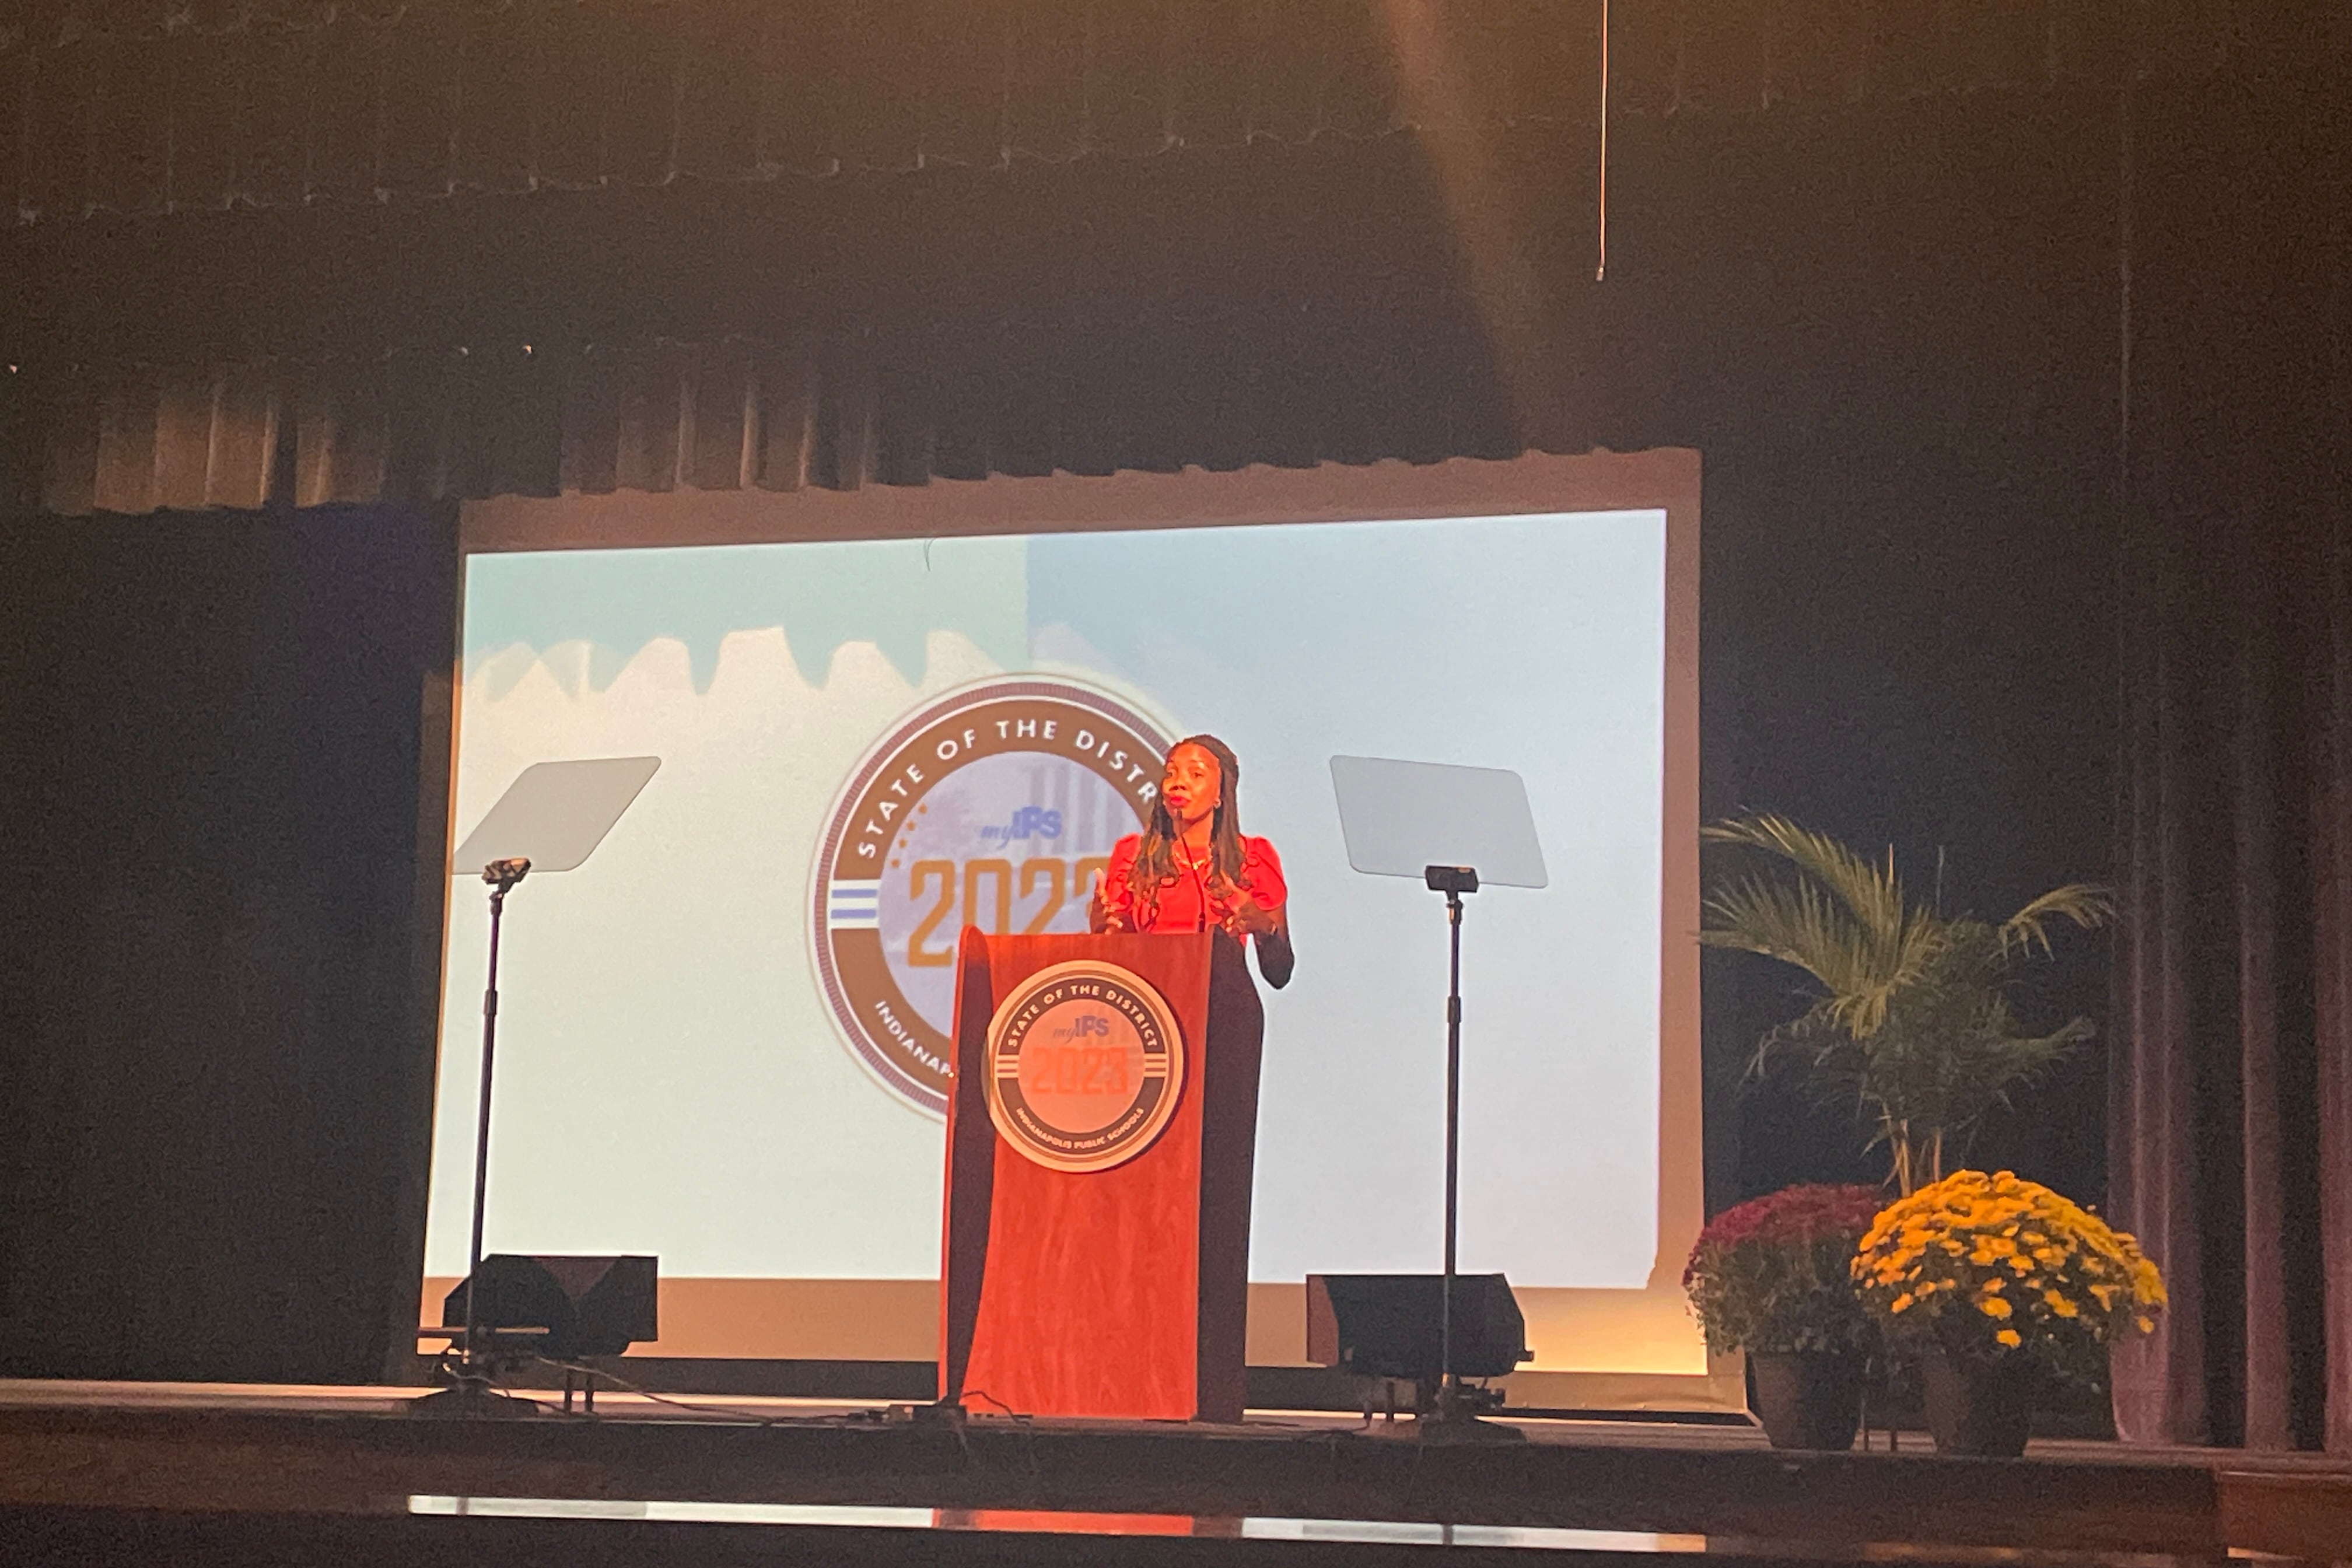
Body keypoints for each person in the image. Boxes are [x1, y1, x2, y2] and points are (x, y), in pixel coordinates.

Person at [1091, 734, 1294, 989]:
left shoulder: (1252, 857)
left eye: (1196, 775)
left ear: (1221, 794)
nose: (1179, 783)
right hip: (1151, 1005)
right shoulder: (1134, 856)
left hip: (1225, 1009)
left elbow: (1279, 974)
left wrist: (1265, 929)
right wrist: (1102, 934)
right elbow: (1117, 959)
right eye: (1171, 773)